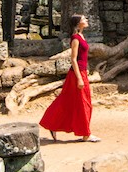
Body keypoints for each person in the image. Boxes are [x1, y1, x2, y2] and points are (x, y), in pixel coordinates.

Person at [39, 14, 100, 142]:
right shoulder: (75, 38)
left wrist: (85, 71)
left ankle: (53, 124)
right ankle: (85, 134)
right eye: (84, 19)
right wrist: (79, 78)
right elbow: (73, 59)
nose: (86, 20)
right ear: (78, 23)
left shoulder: (81, 36)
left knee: (71, 101)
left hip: (82, 72)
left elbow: (82, 58)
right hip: (76, 74)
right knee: (83, 103)